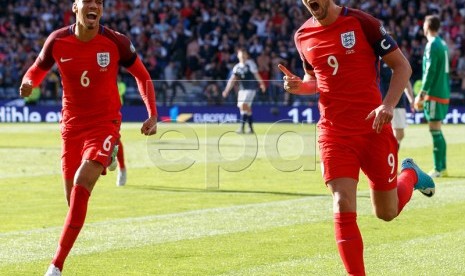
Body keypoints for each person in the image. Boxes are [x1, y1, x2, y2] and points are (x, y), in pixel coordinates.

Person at [278, 1, 435, 275]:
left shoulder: (364, 23)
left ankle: (409, 173)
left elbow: (402, 67)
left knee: (387, 212)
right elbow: (315, 80)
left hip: (373, 127)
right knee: (341, 201)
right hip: (334, 132)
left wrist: (388, 104)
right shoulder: (302, 36)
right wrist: (298, 86)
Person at [19, 1, 158, 275]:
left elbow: (142, 76)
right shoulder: (57, 41)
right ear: (75, 7)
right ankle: (112, 153)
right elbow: (36, 69)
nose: (94, 5)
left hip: (104, 123)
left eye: (99, 2)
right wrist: (29, 82)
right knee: (72, 200)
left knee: (83, 184)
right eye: (88, 1)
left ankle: (55, 266)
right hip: (71, 126)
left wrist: (152, 114)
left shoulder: (115, 42)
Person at [417, 15, 450, 178]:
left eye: (424, 24)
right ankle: (442, 166)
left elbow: (430, 71)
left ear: (427, 26)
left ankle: (438, 168)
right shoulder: (442, 43)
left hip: (434, 93)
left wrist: (422, 94)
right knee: (438, 129)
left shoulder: (432, 44)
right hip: (443, 91)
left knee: (434, 129)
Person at [222, 48, 266, 134]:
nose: (242, 56)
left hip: (251, 89)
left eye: (244, 54)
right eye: (241, 54)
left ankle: (241, 127)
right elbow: (232, 80)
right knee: (246, 109)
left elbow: (256, 75)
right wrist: (226, 90)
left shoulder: (250, 64)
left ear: (246, 55)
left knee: (243, 105)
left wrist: (262, 84)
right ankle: (250, 128)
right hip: (242, 90)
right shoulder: (237, 67)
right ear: (238, 56)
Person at [380, 59, 415, 149]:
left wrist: (411, 100)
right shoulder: (376, 61)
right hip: (381, 103)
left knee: (400, 133)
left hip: (398, 102)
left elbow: (406, 82)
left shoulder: (398, 60)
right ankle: (388, 152)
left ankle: (392, 151)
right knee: (381, 132)